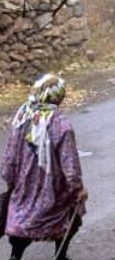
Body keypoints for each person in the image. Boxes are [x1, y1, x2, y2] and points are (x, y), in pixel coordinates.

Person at [1, 74, 88, 260]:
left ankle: (15, 255)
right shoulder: (61, 125)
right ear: (58, 97)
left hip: (24, 186)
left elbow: (9, 156)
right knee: (69, 216)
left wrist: (10, 181)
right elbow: (69, 164)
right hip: (52, 190)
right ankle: (60, 255)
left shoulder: (22, 117)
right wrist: (77, 189)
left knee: (23, 220)